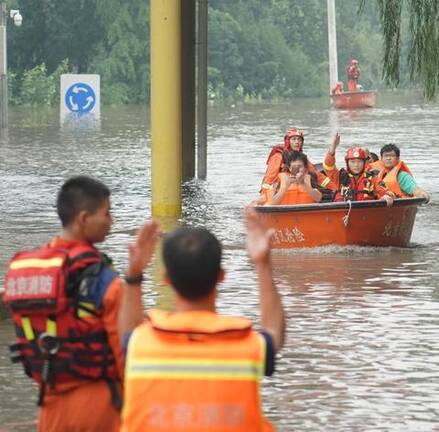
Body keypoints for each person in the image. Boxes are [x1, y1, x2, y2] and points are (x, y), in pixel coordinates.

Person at [2, 175, 150, 432]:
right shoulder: (102, 280)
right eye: (106, 213)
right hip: (102, 407)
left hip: (50, 407)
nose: (111, 221)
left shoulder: (26, 271)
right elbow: (127, 352)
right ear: (84, 219)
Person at [119, 208, 285, 431]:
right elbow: (275, 332)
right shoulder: (248, 347)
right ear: (221, 277)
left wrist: (134, 274)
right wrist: (263, 264)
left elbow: (127, 334)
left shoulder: (140, 345)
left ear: (166, 279)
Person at [260, 128, 332, 199]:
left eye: (299, 140)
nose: (297, 142)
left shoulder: (301, 157)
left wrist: (333, 187)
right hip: (280, 188)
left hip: (300, 186)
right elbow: (269, 178)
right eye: (294, 139)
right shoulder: (278, 156)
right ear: (288, 141)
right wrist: (264, 196)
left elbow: (317, 174)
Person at [323, 137, 393, 206]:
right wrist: (332, 149)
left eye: (359, 162)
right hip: (342, 213)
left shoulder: (373, 178)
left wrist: (386, 196)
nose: (356, 165)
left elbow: (387, 192)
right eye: (353, 162)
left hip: (365, 213)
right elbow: (328, 166)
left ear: (364, 162)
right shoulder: (339, 177)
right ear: (347, 163)